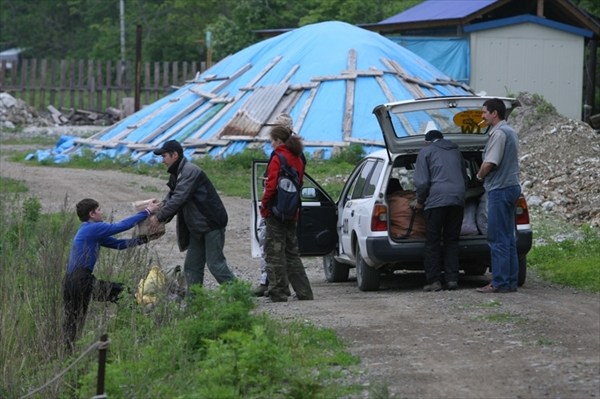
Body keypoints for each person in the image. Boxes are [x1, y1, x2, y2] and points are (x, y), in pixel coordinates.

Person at [63, 198, 159, 350]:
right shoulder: (92, 228)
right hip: (80, 280)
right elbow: (121, 226)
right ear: (92, 214)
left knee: (73, 322)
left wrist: (143, 240)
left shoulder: (89, 230)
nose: (102, 212)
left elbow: (118, 245)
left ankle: (67, 353)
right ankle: (145, 325)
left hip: (70, 282)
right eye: (99, 209)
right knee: (125, 293)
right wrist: (147, 211)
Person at [150, 140, 236, 291]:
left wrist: (159, 217)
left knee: (215, 264)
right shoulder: (177, 173)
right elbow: (172, 197)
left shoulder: (190, 171)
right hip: (197, 227)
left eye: (164, 156)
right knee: (192, 266)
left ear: (175, 155)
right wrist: (157, 208)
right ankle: (194, 301)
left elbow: (179, 198)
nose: (162, 160)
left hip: (210, 224)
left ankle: (240, 294)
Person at [260, 125, 313, 302]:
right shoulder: (298, 157)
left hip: (276, 211)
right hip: (292, 210)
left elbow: (271, 185)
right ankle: (304, 291)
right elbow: (300, 182)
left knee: (274, 252)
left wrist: (265, 205)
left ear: (279, 141)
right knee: (292, 252)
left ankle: (279, 291)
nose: (271, 144)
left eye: (272, 140)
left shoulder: (278, 157)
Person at [476, 98, 521, 293]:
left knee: (497, 238)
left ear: (494, 113)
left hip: (500, 189)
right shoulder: (510, 131)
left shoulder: (499, 134)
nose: (482, 116)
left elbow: (489, 163)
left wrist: (478, 177)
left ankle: (499, 282)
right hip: (512, 187)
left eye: (484, 112)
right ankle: (510, 281)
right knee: (509, 238)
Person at [413, 130, 468, 291]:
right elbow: (464, 178)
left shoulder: (426, 152)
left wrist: (420, 201)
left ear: (427, 141)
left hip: (436, 201)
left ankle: (434, 281)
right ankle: (452, 279)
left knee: (433, 241)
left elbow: (422, 183)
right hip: (457, 200)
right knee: (452, 240)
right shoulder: (456, 151)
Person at [254, 113, 294, 297]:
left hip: (276, 206)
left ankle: (270, 283)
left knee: (269, 244)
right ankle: (280, 284)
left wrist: (265, 204)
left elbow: (272, 184)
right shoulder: (296, 152)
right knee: (286, 248)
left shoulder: (280, 154)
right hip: (288, 206)